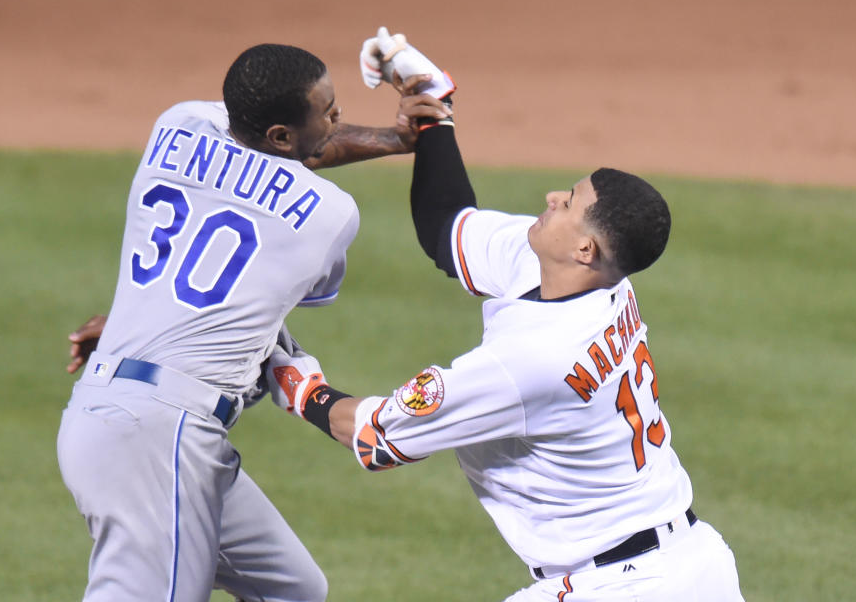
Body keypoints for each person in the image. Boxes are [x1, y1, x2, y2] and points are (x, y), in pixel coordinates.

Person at [264, 30, 745, 601]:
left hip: (617, 586)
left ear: (586, 250)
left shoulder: (530, 362)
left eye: (569, 204)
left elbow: (375, 438)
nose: (550, 198)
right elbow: (448, 228)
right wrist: (432, 114)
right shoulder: (594, 280)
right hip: (693, 566)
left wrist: (292, 381)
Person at [57, 42, 452, 602]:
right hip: (159, 435)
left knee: (293, 590)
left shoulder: (180, 122)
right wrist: (401, 140)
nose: (339, 120)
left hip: (119, 409)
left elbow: (274, 155)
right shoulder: (329, 215)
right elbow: (292, 192)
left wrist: (395, 140)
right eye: (329, 112)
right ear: (281, 137)